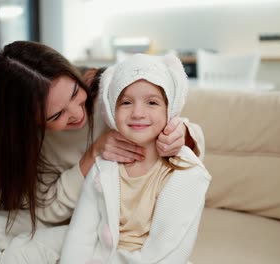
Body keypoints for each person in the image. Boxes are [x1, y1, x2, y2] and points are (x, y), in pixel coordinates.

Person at [0, 41, 205, 264]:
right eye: (56, 114)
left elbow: (178, 135)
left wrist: (181, 133)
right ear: (30, 122)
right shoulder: (26, 141)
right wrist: (91, 157)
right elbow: (43, 212)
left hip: (103, 220)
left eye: (75, 93)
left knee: (22, 251)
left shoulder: (110, 95)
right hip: (64, 217)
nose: (76, 113)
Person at [59, 53, 211, 264]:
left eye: (152, 102)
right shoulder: (104, 166)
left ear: (170, 109)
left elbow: (170, 251)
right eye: (127, 102)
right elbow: (80, 235)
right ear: (112, 110)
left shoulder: (187, 173)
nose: (138, 113)